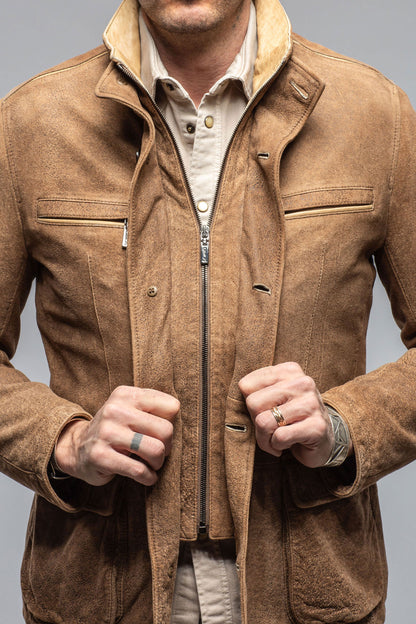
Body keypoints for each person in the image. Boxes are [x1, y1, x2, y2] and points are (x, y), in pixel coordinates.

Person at [0, 0, 415, 622]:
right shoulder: (28, 124)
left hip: (311, 587)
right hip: (100, 587)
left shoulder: (375, 114)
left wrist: (344, 427)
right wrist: (65, 442)